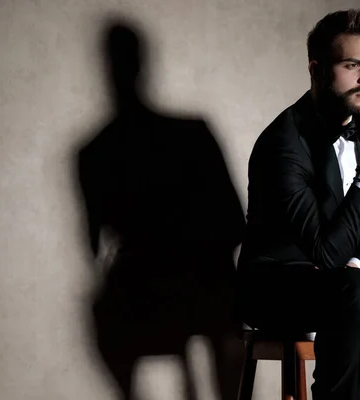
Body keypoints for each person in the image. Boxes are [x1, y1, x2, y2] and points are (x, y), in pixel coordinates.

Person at [237, 9, 360, 400]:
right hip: (273, 288)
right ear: (317, 69)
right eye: (352, 65)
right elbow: (325, 253)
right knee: (355, 294)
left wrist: (353, 265)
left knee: (359, 294)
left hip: (340, 287)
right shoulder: (283, 145)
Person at [76, 19, 246, 400]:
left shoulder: (94, 152)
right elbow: (235, 222)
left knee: (104, 316)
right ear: (142, 64)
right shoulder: (191, 133)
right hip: (202, 287)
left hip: (149, 294)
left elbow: (91, 247)